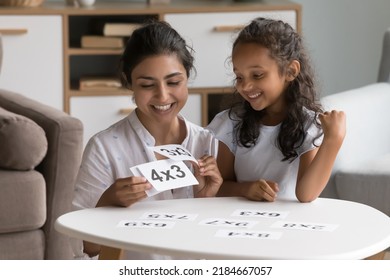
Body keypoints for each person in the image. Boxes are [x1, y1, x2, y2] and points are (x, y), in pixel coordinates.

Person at [72, 20, 222, 259]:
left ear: (188, 77)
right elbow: (84, 252)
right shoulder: (104, 148)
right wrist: (106, 204)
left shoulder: (209, 144)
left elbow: (220, 242)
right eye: (147, 85)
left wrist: (206, 200)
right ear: (129, 82)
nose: (162, 95)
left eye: (173, 82)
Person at [207, 17, 346, 203]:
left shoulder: (309, 126)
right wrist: (245, 189)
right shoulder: (230, 123)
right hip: (238, 222)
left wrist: (333, 140)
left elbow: (306, 194)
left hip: (288, 225)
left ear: (290, 71)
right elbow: (217, 186)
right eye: (239, 77)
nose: (245, 86)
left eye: (257, 75)